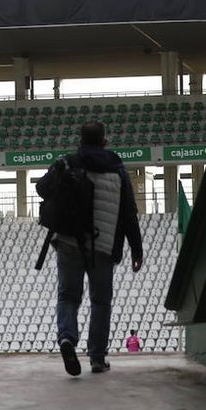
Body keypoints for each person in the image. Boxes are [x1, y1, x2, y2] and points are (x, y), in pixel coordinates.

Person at [37, 120, 144, 376]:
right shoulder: (117, 170)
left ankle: (66, 338)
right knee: (100, 302)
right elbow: (129, 213)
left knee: (67, 296)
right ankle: (97, 358)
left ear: (81, 141)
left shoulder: (67, 162)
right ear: (105, 141)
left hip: (69, 241)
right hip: (104, 246)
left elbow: (41, 188)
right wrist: (136, 250)